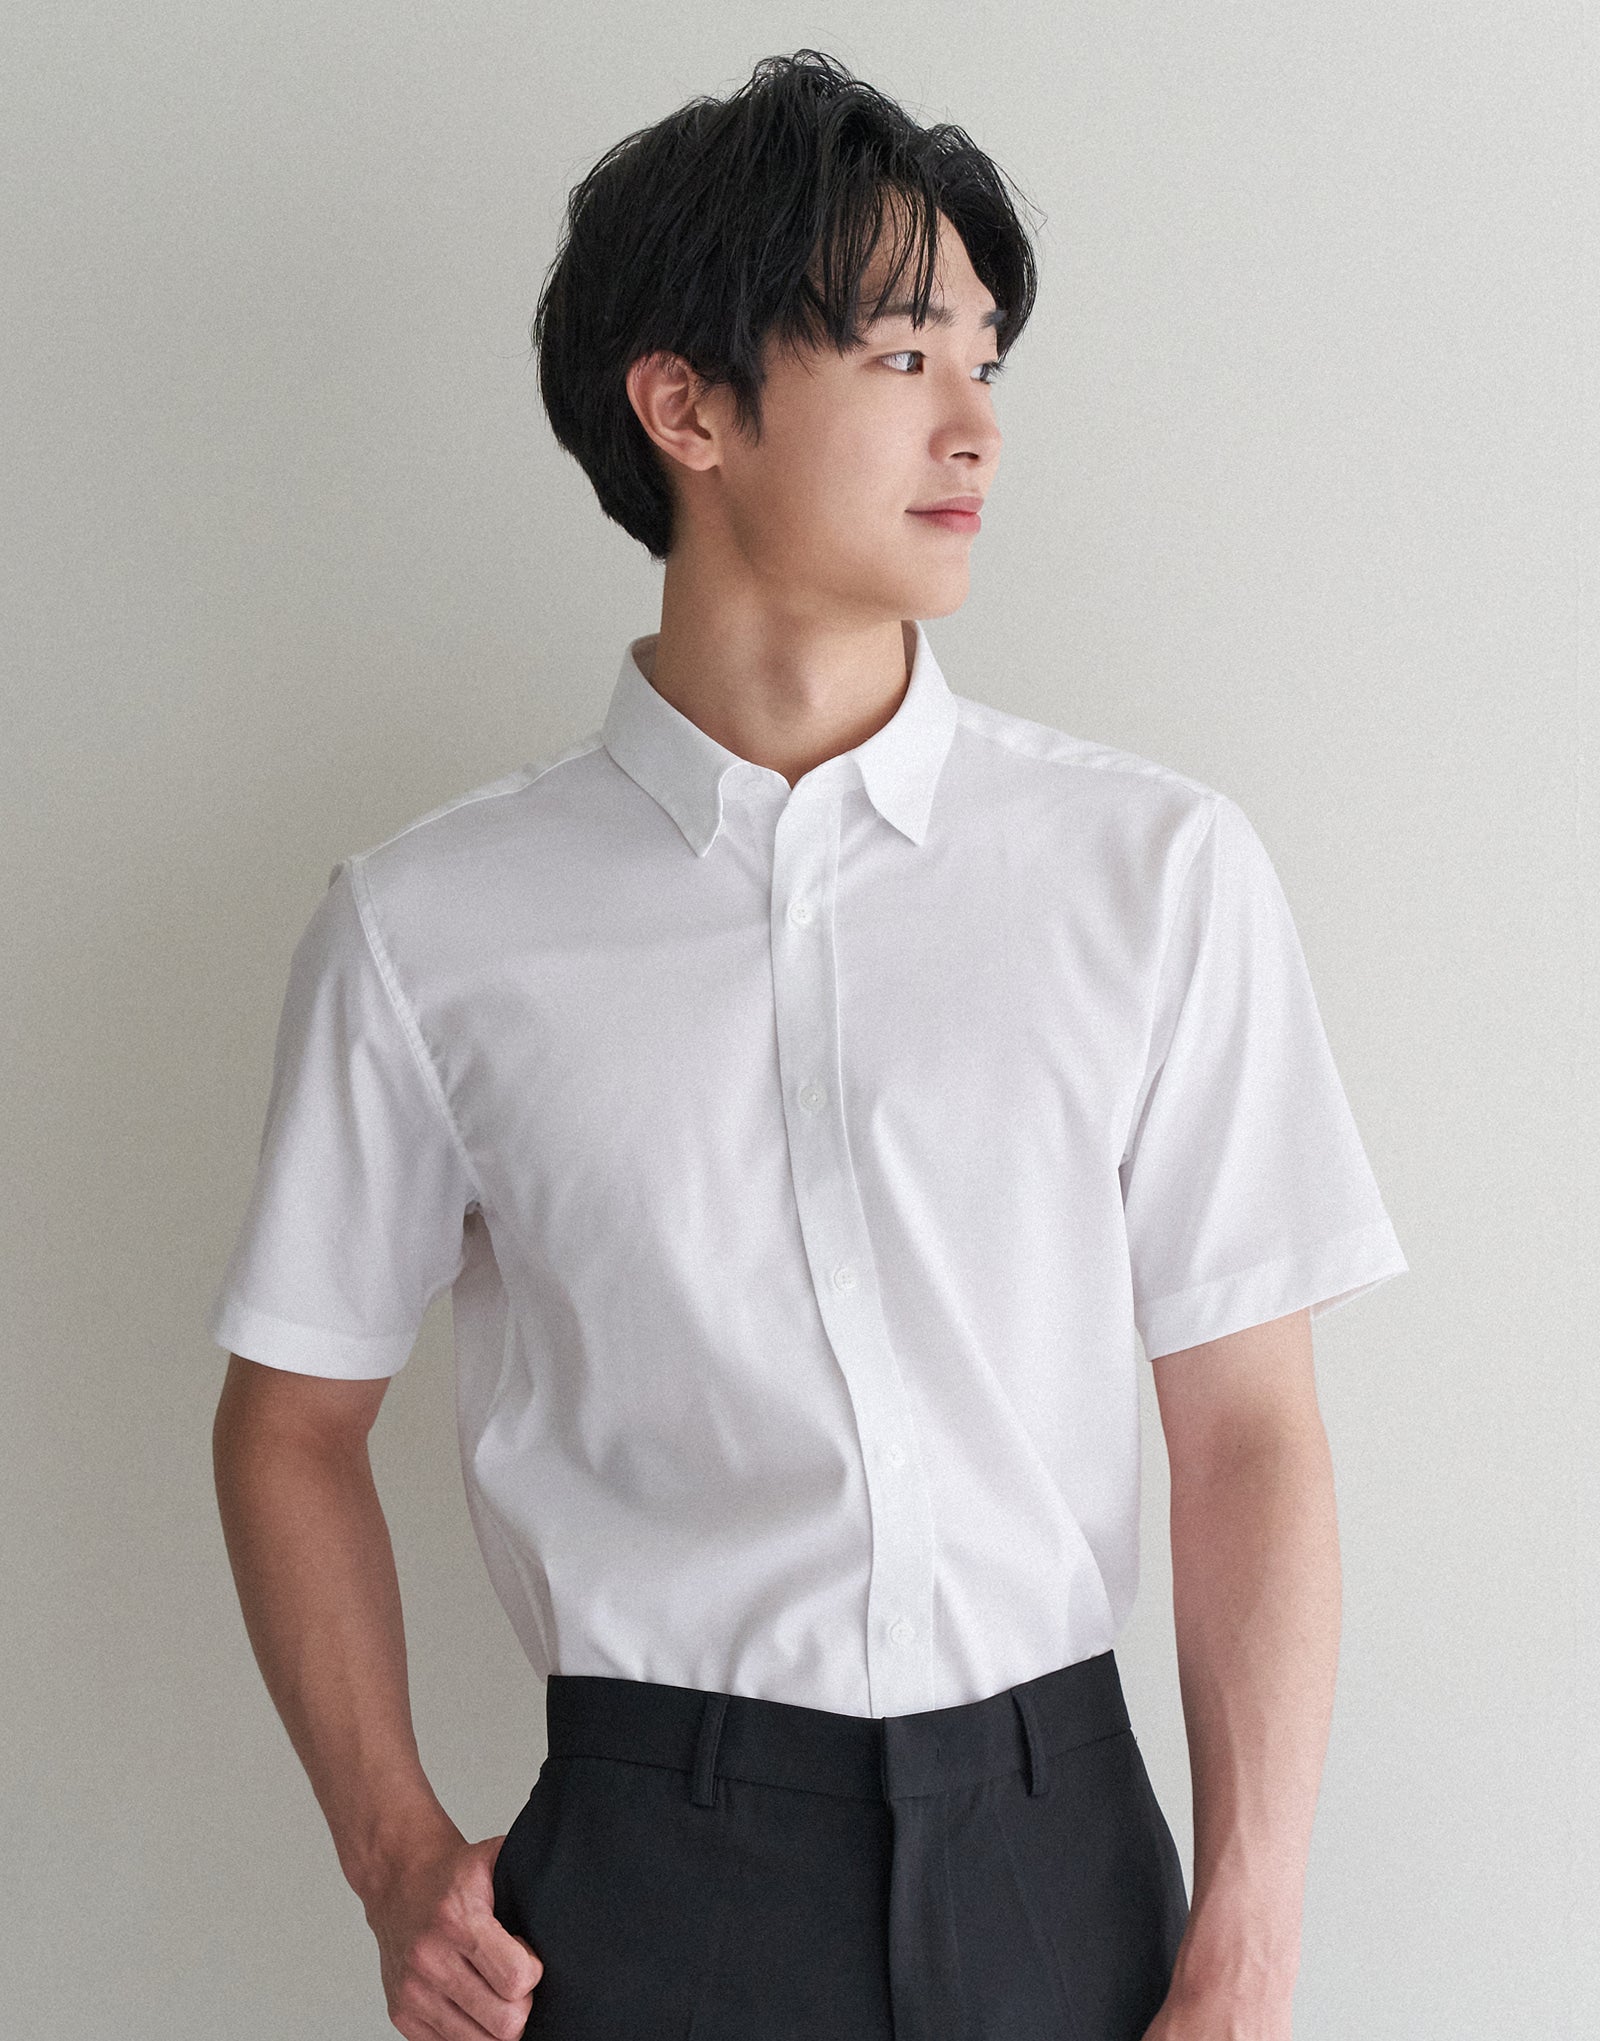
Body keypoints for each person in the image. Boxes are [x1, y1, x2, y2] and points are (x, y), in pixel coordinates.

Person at [208, 47, 1408, 2041]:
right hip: (644, 1872)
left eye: (986, 362)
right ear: (684, 406)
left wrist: (1251, 1922)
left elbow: (1248, 1431)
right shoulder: (427, 929)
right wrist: (389, 1847)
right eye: (902, 353)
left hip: (1061, 1851)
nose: (975, 425)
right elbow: (288, 1420)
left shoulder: (1150, 872)